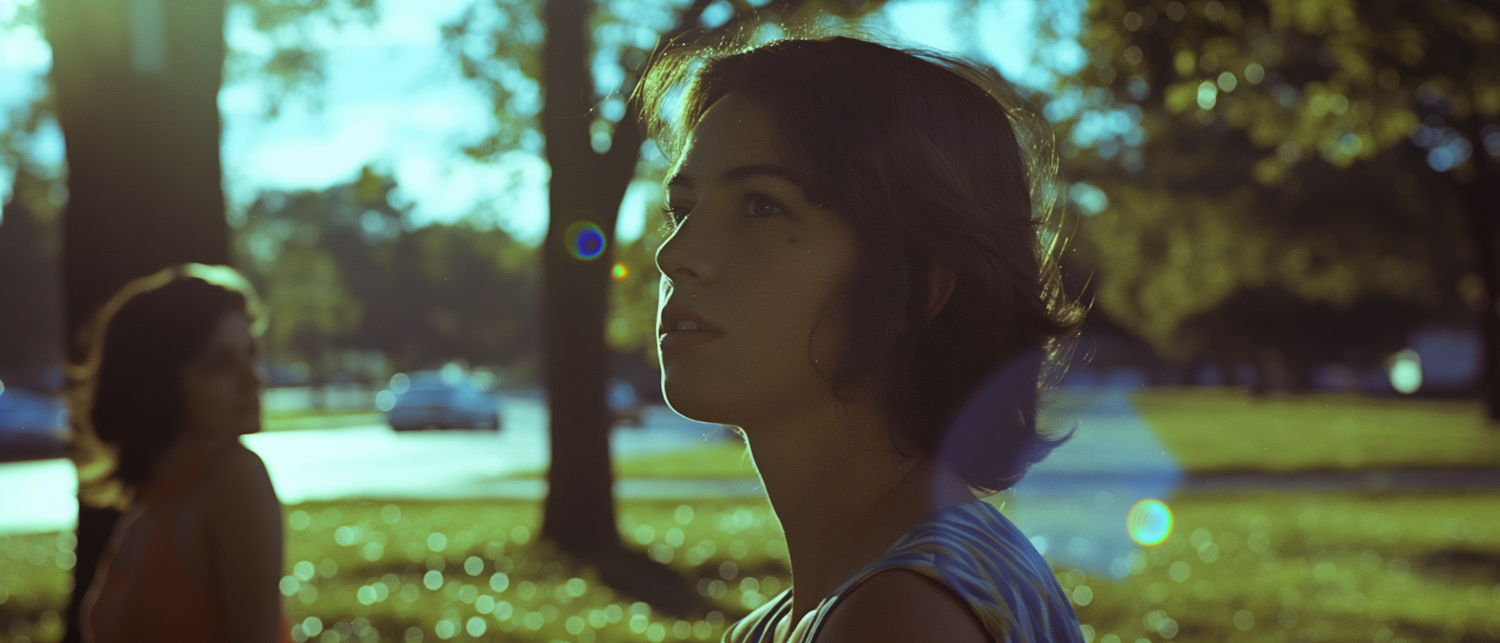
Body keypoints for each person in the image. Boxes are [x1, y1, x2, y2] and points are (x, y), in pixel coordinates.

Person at [639, 36, 1086, 643]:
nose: (675, 254)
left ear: (914, 290)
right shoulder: (785, 625)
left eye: (761, 206)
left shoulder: (907, 616)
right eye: (682, 207)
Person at [76, 264, 289, 643]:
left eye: (250, 354)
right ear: (156, 382)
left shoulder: (236, 480)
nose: (254, 379)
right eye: (220, 364)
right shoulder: (147, 509)